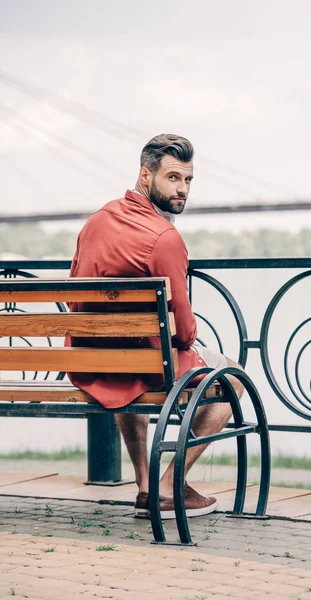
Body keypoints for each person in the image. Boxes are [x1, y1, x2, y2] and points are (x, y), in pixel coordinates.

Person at [67, 133, 244, 519]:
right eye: (173, 178)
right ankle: (169, 484)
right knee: (233, 377)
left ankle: (144, 486)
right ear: (145, 176)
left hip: (92, 363)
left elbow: (75, 302)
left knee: (131, 363)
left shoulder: (95, 222)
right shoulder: (165, 238)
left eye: (188, 180)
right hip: (144, 365)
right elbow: (183, 333)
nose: (182, 190)